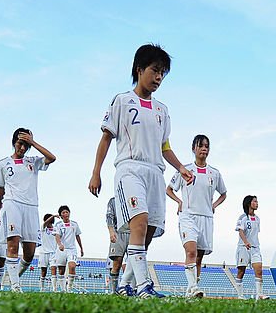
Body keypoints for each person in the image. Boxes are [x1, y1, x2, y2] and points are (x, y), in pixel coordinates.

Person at [89, 44, 194, 298]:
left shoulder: (162, 110)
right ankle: (144, 286)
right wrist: (96, 172)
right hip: (130, 168)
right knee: (139, 222)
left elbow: (164, 146)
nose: (158, 78)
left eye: (162, 74)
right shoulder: (122, 101)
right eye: (155, 71)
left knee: (147, 233)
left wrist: (180, 167)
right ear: (139, 70)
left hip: (155, 172)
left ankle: (126, 284)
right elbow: (106, 138)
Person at [0, 128, 57, 293]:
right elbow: (0, 189)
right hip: (11, 203)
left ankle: (13, 278)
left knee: (29, 253)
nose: (22, 148)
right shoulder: (3, 163)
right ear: (14, 142)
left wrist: (33, 143)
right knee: (12, 245)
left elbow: (52, 158)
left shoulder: (33, 161)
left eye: (26, 145)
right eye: (20, 143)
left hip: (31, 207)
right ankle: (15, 286)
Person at [166, 134, 227, 298]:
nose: (204, 149)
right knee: (191, 251)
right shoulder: (185, 169)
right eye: (200, 146)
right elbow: (169, 189)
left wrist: (213, 205)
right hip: (188, 216)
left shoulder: (214, 173)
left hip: (206, 218)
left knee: (199, 257)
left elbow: (223, 193)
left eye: (206, 146)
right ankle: (193, 287)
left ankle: (191, 290)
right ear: (194, 148)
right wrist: (179, 201)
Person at [235, 195, 266, 299]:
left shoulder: (257, 219)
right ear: (249, 203)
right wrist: (246, 242)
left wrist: (252, 243)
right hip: (243, 247)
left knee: (259, 269)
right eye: (255, 201)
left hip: (255, 248)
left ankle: (259, 295)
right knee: (241, 271)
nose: (257, 203)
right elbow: (241, 231)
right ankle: (240, 296)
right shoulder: (242, 217)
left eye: (257, 202)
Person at [53, 205, 84, 292]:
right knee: (61, 271)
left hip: (72, 249)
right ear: (60, 215)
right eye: (63, 212)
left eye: (67, 212)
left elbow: (77, 236)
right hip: (61, 250)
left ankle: (69, 289)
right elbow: (57, 235)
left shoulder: (74, 224)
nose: (66, 213)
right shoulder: (58, 224)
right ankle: (63, 290)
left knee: (72, 266)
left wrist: (81, 248)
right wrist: (59, 244)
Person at [105, 197, 130, 294]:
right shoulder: (114, 200)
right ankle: (113, 291)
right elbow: (109, 216)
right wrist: (111, 232)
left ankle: (133, 289)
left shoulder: (137, 196)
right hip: (118, 232)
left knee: (134, 263)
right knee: (117, 263)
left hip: (134, 232)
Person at [37, 213, 59, 292]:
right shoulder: (43, 228)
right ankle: (42, 289)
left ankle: (54, 289)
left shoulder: (56, 229)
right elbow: (45, 223)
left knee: (54, 269)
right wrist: (53, 215)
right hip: (43, 253)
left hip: (53, 253)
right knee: (43, 271)